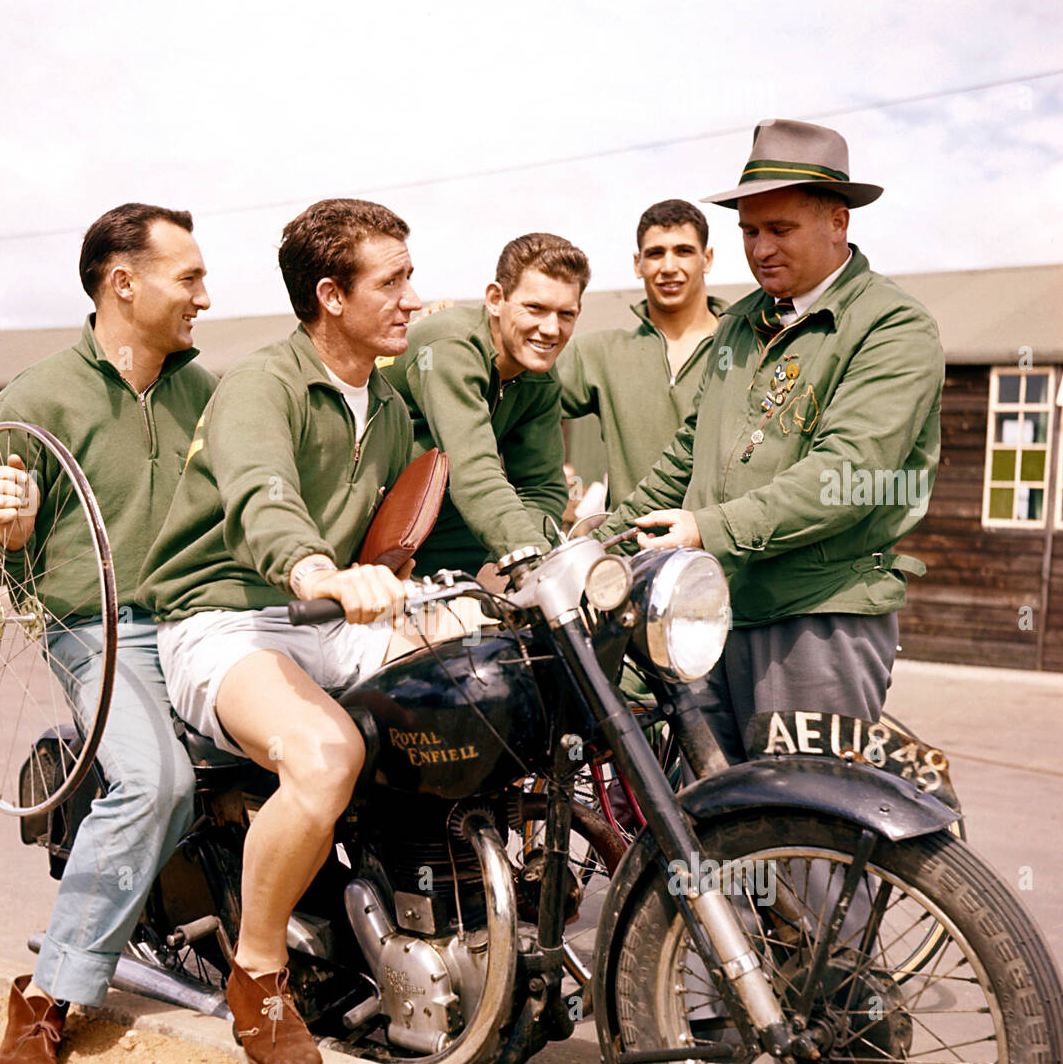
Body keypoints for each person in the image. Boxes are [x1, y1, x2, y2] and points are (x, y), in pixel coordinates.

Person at [137, 198, 420, 1064]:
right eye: (394, 280)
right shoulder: (260, 384)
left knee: (483, 696)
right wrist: (312, 569)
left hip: (333, 619)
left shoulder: (391, 408)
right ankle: (258, 974)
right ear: (331, 296)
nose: (411, 297)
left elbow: (417, 530)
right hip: (226, 616)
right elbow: (262, 493)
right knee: (324, 752)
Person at [0, 203, 217, 1064]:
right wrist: (8, 530)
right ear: (123, 283)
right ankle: (47, 996)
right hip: (92, 624)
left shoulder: (205, 393)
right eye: (188, 277)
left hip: (203, 616)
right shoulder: (36, 398)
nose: (205, 297)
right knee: (157, 782)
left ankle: (258, 964)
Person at [598, 119, 941, 766]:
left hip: (815, 617)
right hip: (708, 612)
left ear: (837, 222)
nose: (760, 248)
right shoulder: (738, 325)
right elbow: (686, 455)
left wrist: (706, 527)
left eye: (778, 229)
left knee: (809, 829)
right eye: (749, 232)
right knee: (709, 826)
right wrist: (597, 545)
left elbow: (850, 475)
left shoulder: (891, 327)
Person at [383, 233, 590, 578]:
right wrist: (533, 562)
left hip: (456, 541)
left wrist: (528, 559)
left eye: (565, 314)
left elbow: (541, 487)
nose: (551, 329)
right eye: (535, 308)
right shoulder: (451, 345)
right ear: (496, 299)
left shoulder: (542, 377)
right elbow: (474, 471)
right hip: (376, 538)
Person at [557, 199, 726, 507]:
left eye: (684, 251)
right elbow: (517, 397)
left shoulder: (747, 347)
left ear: (707, 259)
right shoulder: (598, 353)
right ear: (638, 264)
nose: (669, 267)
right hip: (630, 548)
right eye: (655, 253)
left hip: (723, 549)